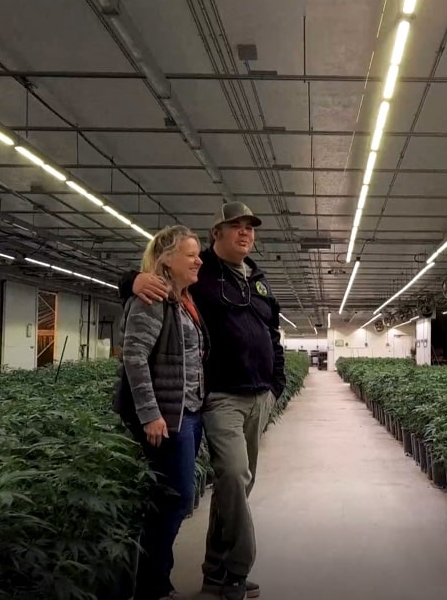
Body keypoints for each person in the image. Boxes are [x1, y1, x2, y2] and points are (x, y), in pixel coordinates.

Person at [119, 202, 286, 600]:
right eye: (236, 227)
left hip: (257, 394)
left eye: (250, 228)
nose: (245, 233)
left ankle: (217, 569)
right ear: (217, 234)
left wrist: (276, 384)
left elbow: (273, 333)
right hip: (219, 398)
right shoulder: (201, 271)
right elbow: (152, 280)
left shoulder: (257, 280)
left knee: (237, 488)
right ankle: (236, 570)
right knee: (230, 476)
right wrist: (132, 281)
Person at [114, 225, 208, 600]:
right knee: (174, 499)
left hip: (190, 411)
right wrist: (151, 414)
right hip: (168, 417)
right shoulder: (151, 297)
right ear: (167, 260)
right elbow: (134, 358)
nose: (198, 259)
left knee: (175, 498)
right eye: (191, 254)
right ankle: (152, 586)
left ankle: (157, 581)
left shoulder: (185, 300)